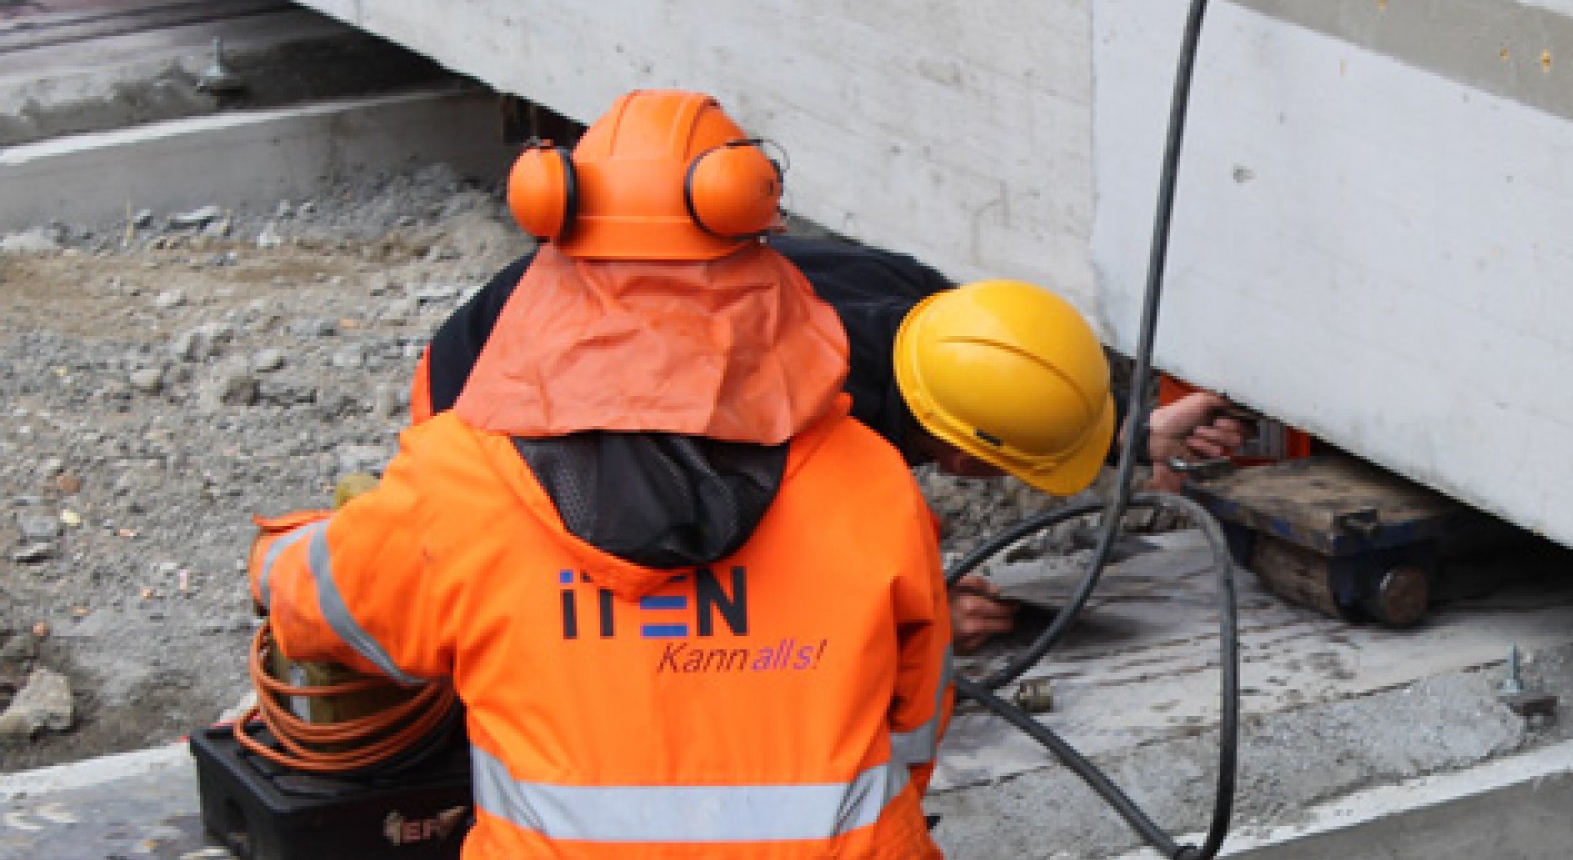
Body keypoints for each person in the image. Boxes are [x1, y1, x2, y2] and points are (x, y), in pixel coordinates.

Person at [250, 90, 954, 860]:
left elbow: (332, 608)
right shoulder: (865, 477)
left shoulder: (461, 482)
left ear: (554, 232)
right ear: (755, 246)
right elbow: (916, 723)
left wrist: (277, 558)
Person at [415, 234, 1245, 652]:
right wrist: (907, 622)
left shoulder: (923, 310)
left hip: (559, 312)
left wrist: (1130, 434)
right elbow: (731, 585)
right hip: (486, 400)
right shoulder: (790, 434)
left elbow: (999, 382)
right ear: (959, 461)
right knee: (609, 595)